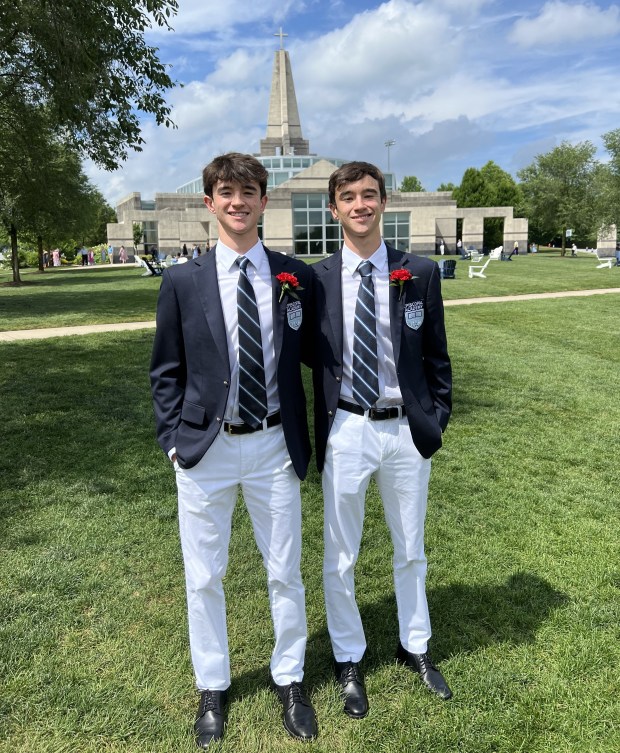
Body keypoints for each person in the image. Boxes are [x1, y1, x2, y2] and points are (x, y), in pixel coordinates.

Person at [150, 152, 317, 747]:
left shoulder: (294, 276)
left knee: (285, 571)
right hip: (205, 448)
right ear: (210, 202)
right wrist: (173, 441)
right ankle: (212, 685)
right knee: (204, 576)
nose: (238, 201)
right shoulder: (183, 280)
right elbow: (165, 370)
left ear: (265, 201)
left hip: (275, 444)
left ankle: (290, 678)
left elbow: (319, 356)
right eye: (227, 192)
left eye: (249, 191)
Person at [312, 162, 453, 721]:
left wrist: (435, 418)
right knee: (340, 553)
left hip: (405, 431)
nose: (360, 205)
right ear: (334, 208)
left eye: (369, 195)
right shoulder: (314, 279)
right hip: (346, 426)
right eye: (348, 197)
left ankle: (414, 644)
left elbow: (437, 353)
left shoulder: (418, 272)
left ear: (384, 203)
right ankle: (349, 656)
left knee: (410, 546)